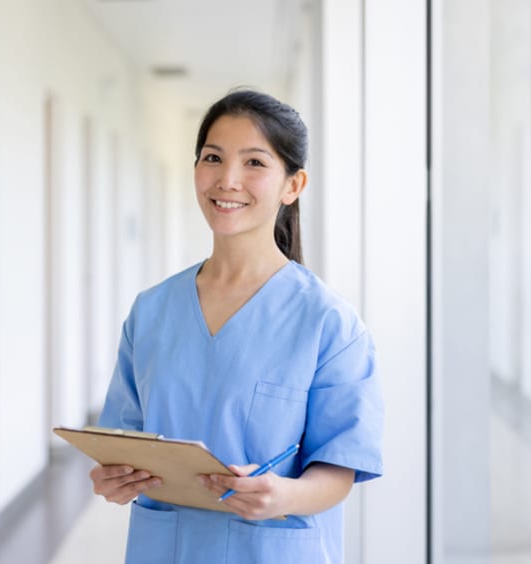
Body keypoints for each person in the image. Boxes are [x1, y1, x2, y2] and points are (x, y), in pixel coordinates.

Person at [90, 89, 383, 563]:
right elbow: (124, 442)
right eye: (213, 157)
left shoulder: (328, 322)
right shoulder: (152, 310)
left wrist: (282, 497)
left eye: (254, 163)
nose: (227, 180)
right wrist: (113, 480)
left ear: (293, 185)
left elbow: (340, 468)